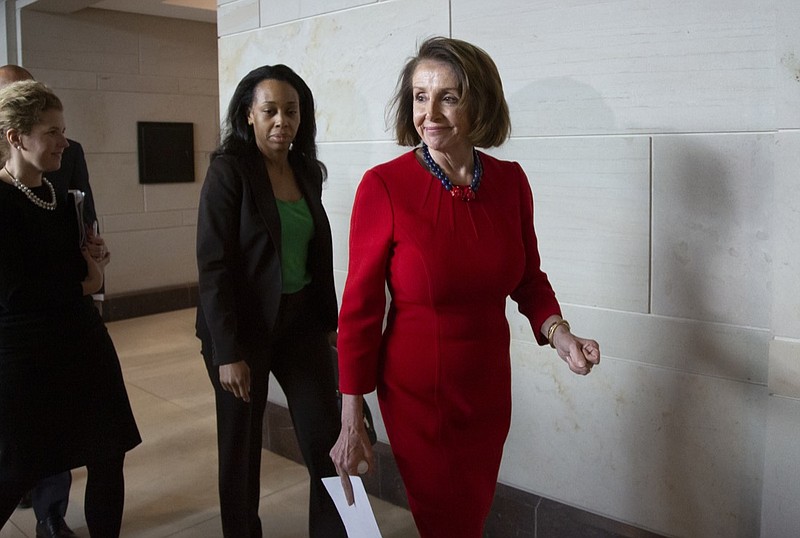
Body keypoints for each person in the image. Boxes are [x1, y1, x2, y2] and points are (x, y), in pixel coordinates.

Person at [329, 36, 602, 537]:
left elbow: (528, 278)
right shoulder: (384, 186)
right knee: (446, 521)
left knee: (470, 515)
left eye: (448, 97)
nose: (428, 112)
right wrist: (351, 419)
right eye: (418, 96)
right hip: (419, 395)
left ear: (480, 103)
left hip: (488, 389)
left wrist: (561, 335)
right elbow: (360, 311)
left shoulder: (510, 181)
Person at [195, 64, 346, 538]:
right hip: (242, 330)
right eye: (271, 111)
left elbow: (315, 255)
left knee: (328, 437)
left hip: (300, 324)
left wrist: (330, 323)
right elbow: (213, 265)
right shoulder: (228, 170)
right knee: (240, 451)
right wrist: (227, 352)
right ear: (249, 115)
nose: (282, 120)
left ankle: (336, 532)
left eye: (292, 110)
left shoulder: (305, 171)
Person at [0, 80, 141, 536]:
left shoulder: (59, 196)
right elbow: (16, 294)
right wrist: (86, 283)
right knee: (18, 468)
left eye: (64, 130)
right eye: (51, 132)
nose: (64, 142)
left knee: (108, 452)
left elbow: (62, 265)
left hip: (83, 343)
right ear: (16, 138)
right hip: (27, 355)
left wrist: (91, 255)